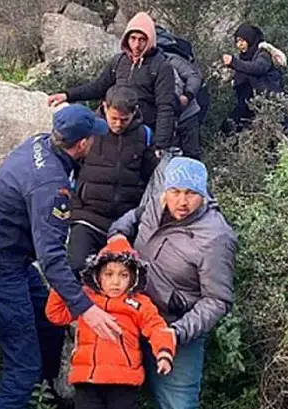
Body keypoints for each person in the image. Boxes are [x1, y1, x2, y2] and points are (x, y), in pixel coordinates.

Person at [0, 104, 124, 409]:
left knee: (49, 323)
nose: (95, 142)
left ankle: (44, 399)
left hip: (8, 255)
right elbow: (52, 257)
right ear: (82, 144)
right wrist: (86, 309)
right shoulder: (50, 187)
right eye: (92, 138)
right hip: (0, 269)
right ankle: (23, 395)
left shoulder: (40, 143)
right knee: (23, 367)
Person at [108, 157, 237, 409]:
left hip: (174, 329)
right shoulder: (156, 205)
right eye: (175, 192)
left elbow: (218, 300)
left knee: (177, 404)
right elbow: (133, 216)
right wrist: (119, 236)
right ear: (165, 190)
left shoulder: (216, 238)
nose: (182, 201)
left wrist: (177, 332)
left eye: (191, 193)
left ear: (203, 193)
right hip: (132, 317)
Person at [46, 238, 177, 409]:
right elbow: (56, 315)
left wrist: (164, 353)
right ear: (97, 275)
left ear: (133, 277)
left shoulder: (139, 303)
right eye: (108, 274)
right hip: (87, 379)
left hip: (123, 381)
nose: (115, 282)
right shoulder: (85, 299)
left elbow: (157, 328)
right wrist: (63, 285)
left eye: (123, 275)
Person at [49, 12, 178, 155]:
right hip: (110, 123)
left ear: (150, 40)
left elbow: (165, 107)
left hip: (139, 130)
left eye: (142, 40)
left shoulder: (161, 67)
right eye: (133, 38)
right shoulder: (118, 61)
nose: (136, 45)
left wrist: (160, 146)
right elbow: (98, 87)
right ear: (126, 38)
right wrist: (67, 95)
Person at [68, 85, 158, 275]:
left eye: (124, 120)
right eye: (114, 118)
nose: (117, 124)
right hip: (87, 216)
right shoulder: (88, 130)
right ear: (104, 107)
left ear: (134, 113)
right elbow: (70, 166)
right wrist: (74, 206)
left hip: (124, 222)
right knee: (78, 268)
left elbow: (150, 177)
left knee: (121, 277)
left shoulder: (145, 135)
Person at [221, 24, 285, 132]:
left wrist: (234, 62)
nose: (239, 45)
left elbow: (258, 68)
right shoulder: (245, 57)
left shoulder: (263, 54)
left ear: (250, 39)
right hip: (250, 103)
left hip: (266, 103)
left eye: (242, 41)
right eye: (237, 41)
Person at [156, 25, 205, 159]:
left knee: (191, 154)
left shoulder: (171, 59)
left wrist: (187, 96)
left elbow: (194, 76)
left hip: (186, 114)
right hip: (165, 118)